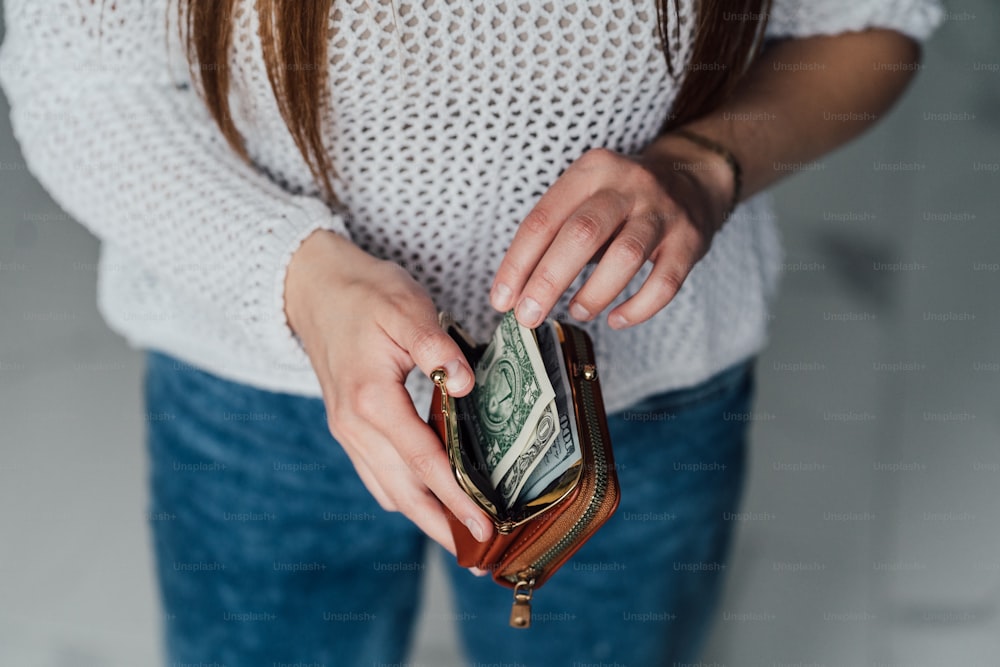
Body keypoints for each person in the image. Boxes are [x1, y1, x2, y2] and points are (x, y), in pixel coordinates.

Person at [0, 0, 943, 664]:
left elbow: (870, 23)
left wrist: (704, 165)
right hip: (257, 382)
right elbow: (80, 83)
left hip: (636, 393)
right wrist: (296, 275)